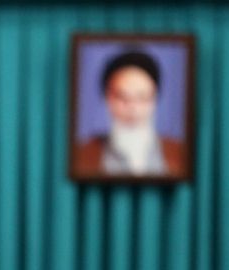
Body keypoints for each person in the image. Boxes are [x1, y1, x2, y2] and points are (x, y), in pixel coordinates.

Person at [74, 49, 187, 177]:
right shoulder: (82, 155)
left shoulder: (181, 154)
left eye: (142, 98)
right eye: (122, 97)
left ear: (155, 99)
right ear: (107, 98)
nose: (133, 107)